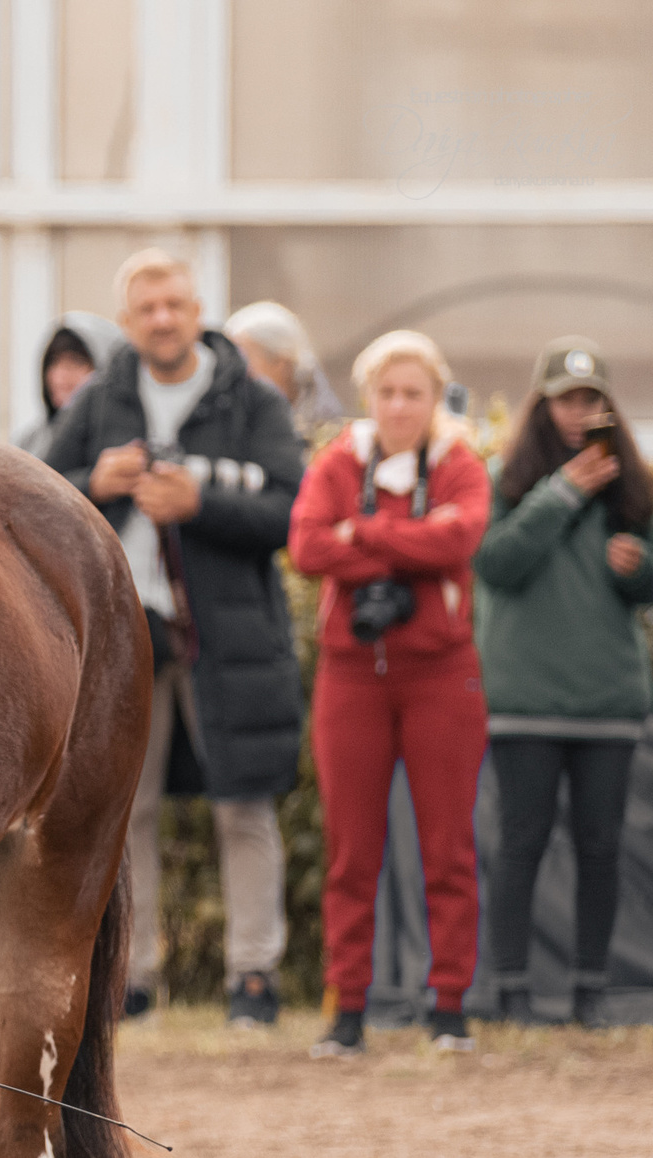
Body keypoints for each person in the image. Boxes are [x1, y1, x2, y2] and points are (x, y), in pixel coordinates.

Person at [44, 248, 305, 1026]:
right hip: (125, 636)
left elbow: (293, 512)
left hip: (229, 633)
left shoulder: (251, 399)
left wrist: (201, 503)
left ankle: (254, 977)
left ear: (198, 311)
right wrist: (99, 484)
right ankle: (134, 978)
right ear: (127, 321)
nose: (163, 319)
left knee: (244, 806)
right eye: (147, 307)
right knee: (132, 811)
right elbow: (36, 493)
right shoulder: (101, 396)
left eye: (175, 305)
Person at [289, 330, 491, 1057]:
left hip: (441, 673)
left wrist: (365, 532)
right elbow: (309, 547)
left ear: (435, 398)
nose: (400, 405)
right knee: (351, 850)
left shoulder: (460, 463)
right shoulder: (338, 460)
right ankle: (347, 1009)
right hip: (352, 674)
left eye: (414, 392)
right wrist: (409, 533)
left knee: (448, 848)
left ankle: (449, 1005)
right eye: (387, 392)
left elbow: (460, 540)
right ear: (369, 397)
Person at [473, 339, 653, 1029]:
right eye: (565, 398)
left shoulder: (633, 483)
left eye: (591, 399)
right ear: (542, 405)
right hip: (525, 697)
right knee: (519, 842)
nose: (579, 412)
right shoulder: (507, 478)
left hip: (607, 699)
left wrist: (639, 566)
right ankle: (512, 992)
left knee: (601, 846)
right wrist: (562, 494)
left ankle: (591, 992)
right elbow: (495, 562)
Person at [224, 300, 345, 444]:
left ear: (281, 363)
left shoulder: (326, 428)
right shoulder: (230, 408)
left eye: (243, 359)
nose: (234, 370)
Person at [11, 312, 124, 461]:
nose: (60, 375)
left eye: (76, 361)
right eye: (54, 362)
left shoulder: (121, 447)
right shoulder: (29, 442)